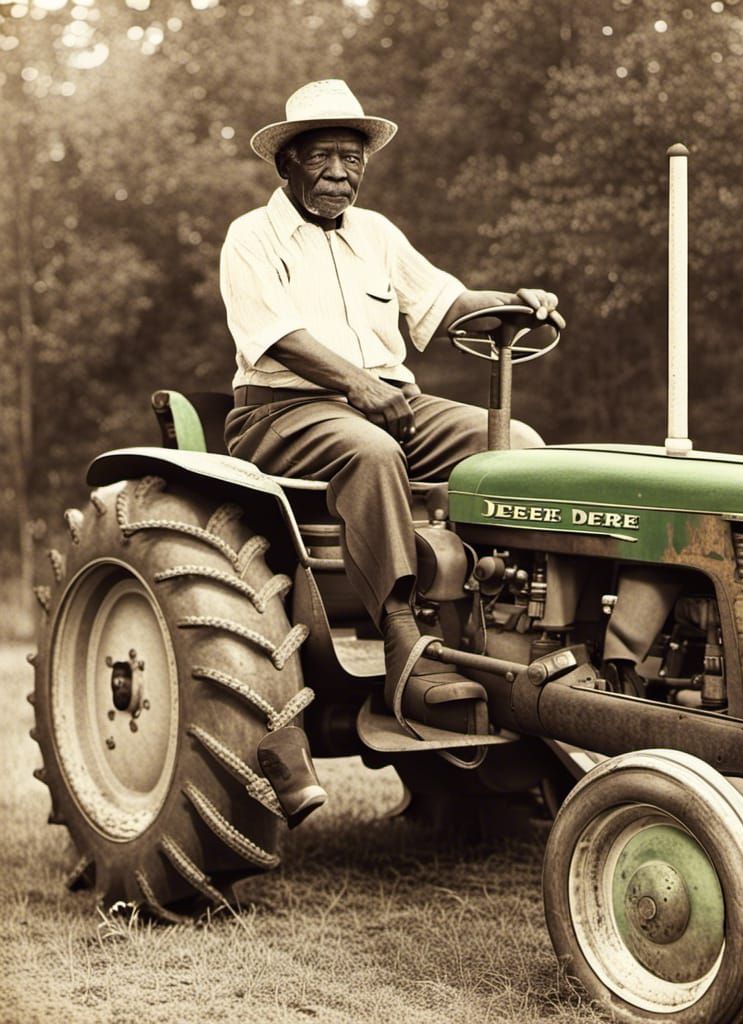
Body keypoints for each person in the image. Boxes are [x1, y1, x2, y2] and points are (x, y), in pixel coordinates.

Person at [219, 80, 561, 822]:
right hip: (284, 410)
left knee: (520, 448)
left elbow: (445, 303)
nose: (340, 172)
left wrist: (517, 300)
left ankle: (515, 622)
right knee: (372, 452)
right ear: (287, 162)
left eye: (353, 158)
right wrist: (358, 384)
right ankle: (404, 640)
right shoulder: (252, 237)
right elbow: (277, 338)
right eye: (324, 156)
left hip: (387, 403)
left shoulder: (377, 234)